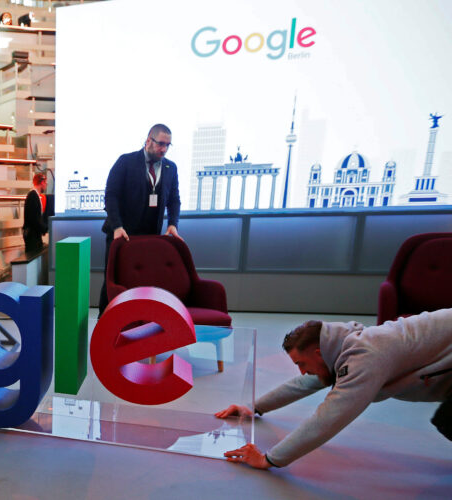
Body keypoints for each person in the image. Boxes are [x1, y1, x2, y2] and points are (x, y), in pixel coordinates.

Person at [217, 309, 452, 469]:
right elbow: (306, 383)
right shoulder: (343, 346)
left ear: (318, 353)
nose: (301, 371)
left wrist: (268, 459)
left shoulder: (365, 356)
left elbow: (330, 417)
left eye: (301, 363)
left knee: (448, 420)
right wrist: (253, 407)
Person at [99, 124, 182, 314]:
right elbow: (111, 196)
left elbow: (174, 200)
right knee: (113, 281)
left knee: (142, 283)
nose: (164, 149)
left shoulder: (170, 167)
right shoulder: (126, 162)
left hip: (149, 236)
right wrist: (117, 226)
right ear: (148, 140)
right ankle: (105, 322)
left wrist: (172, 224)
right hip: (121, 234)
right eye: (160, 144)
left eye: (168, 145)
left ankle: (138, 323)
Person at [22, 173, 48, 254]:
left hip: (33, 234)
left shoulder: (34, 195)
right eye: (46, 183)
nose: (46, 185)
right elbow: (34, 218)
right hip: (32, 235)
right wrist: (45, 228)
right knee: (33, 255)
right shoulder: (33, 196)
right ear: (42, 182)